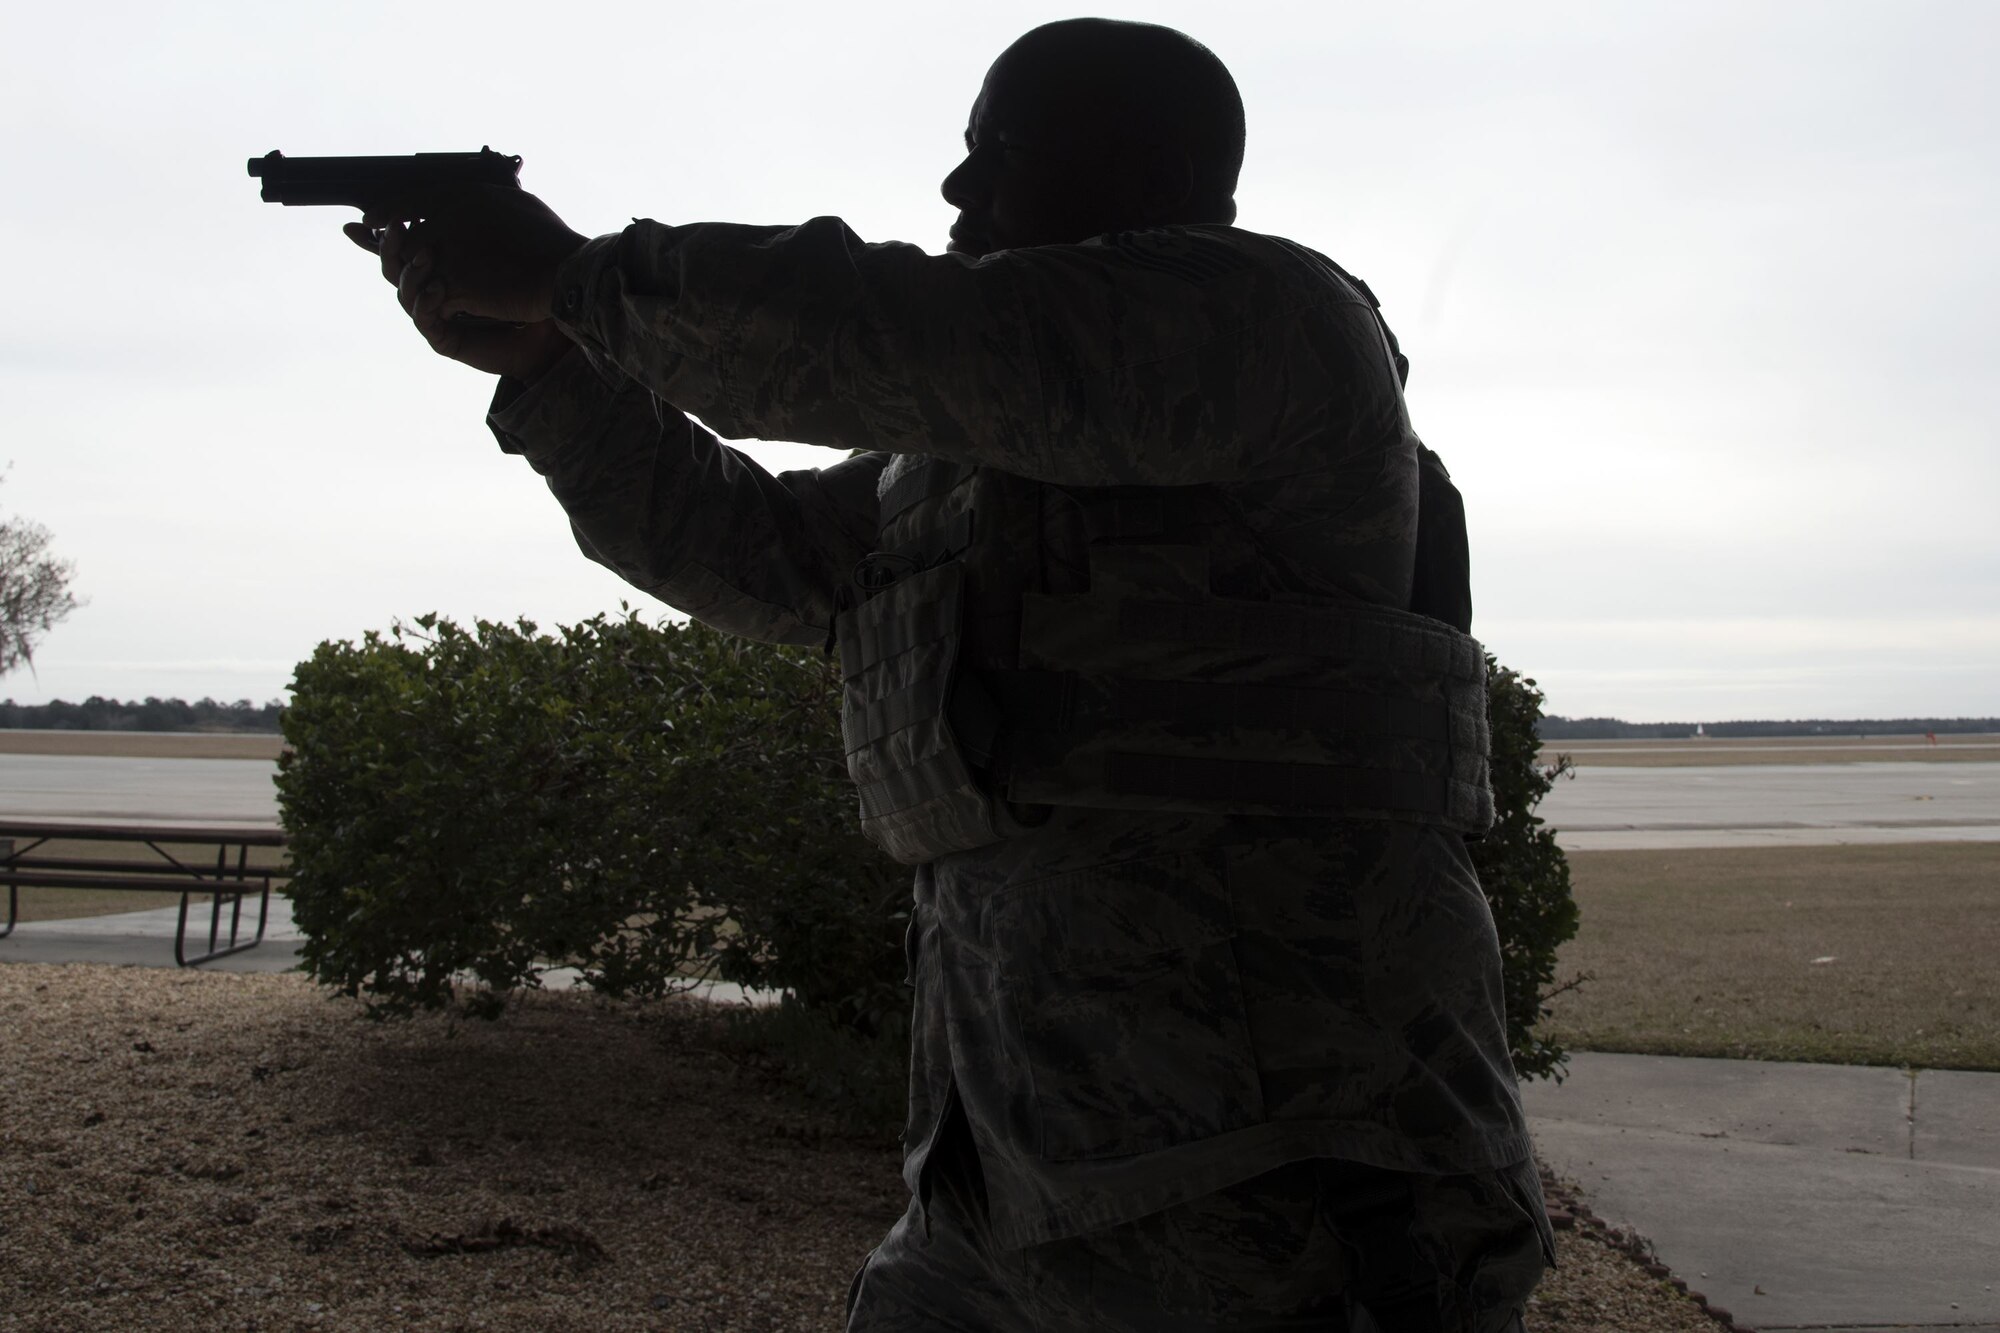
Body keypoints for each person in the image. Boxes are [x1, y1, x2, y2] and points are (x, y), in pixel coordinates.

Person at [348, 18, 1554, 1330]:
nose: (956, 192)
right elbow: (759, 551)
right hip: (1001, 1176)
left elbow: (904, 336)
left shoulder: (1273, 328)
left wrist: (575, 276)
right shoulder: (961, 454)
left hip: (1286, 1185)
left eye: (998, 153)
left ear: (1141, 168)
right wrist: (547, 368)